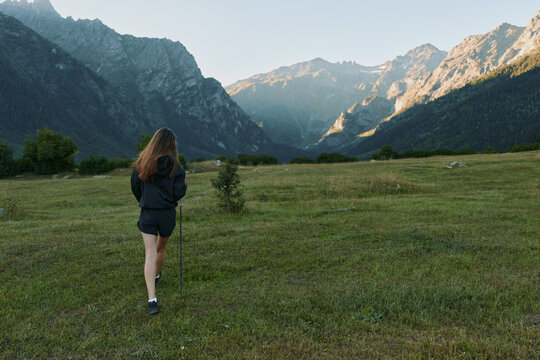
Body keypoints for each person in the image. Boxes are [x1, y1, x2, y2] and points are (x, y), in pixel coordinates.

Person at [131, 128, 187, 315]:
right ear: (171, 144)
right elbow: (179, 193)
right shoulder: (175, 167)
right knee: (160, 249)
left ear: (154, 142)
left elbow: (135, 187)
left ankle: (152, 299)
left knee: (149, 253)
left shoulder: (141, 164)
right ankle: (155, 275)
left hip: (148, 212)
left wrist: (145, 199)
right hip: (166, 214)